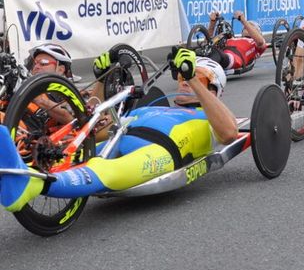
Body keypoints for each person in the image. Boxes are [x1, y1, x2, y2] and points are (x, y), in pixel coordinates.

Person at [0, 48, 238, 212]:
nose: (185, 81)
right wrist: (102, 79)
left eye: (199, 77)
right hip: (121, 136)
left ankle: (32, 185)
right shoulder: (152, 107)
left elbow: (229, 133)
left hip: (160, 152)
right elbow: (93, 125)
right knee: (67, 155)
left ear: (215, 86)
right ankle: (16, 169)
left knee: (106, 170)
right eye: (184, 76)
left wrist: (194, 79)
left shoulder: (210, 117)